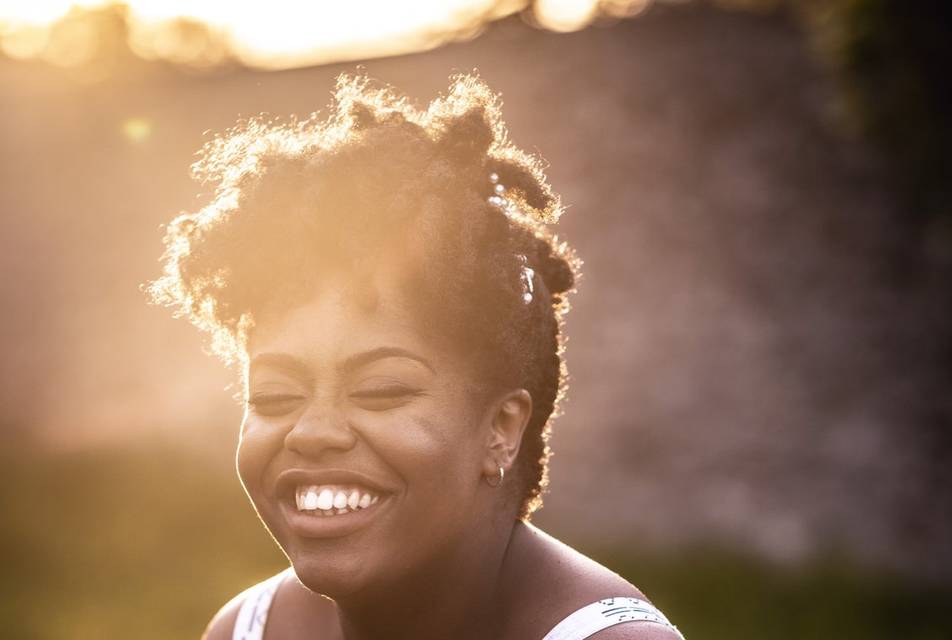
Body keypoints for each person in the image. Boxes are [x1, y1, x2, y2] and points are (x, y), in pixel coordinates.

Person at [147, 72, 685, 640]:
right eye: (275, 395)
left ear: (501, 428)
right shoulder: (246, 630)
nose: (313, 431)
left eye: (381, 389)